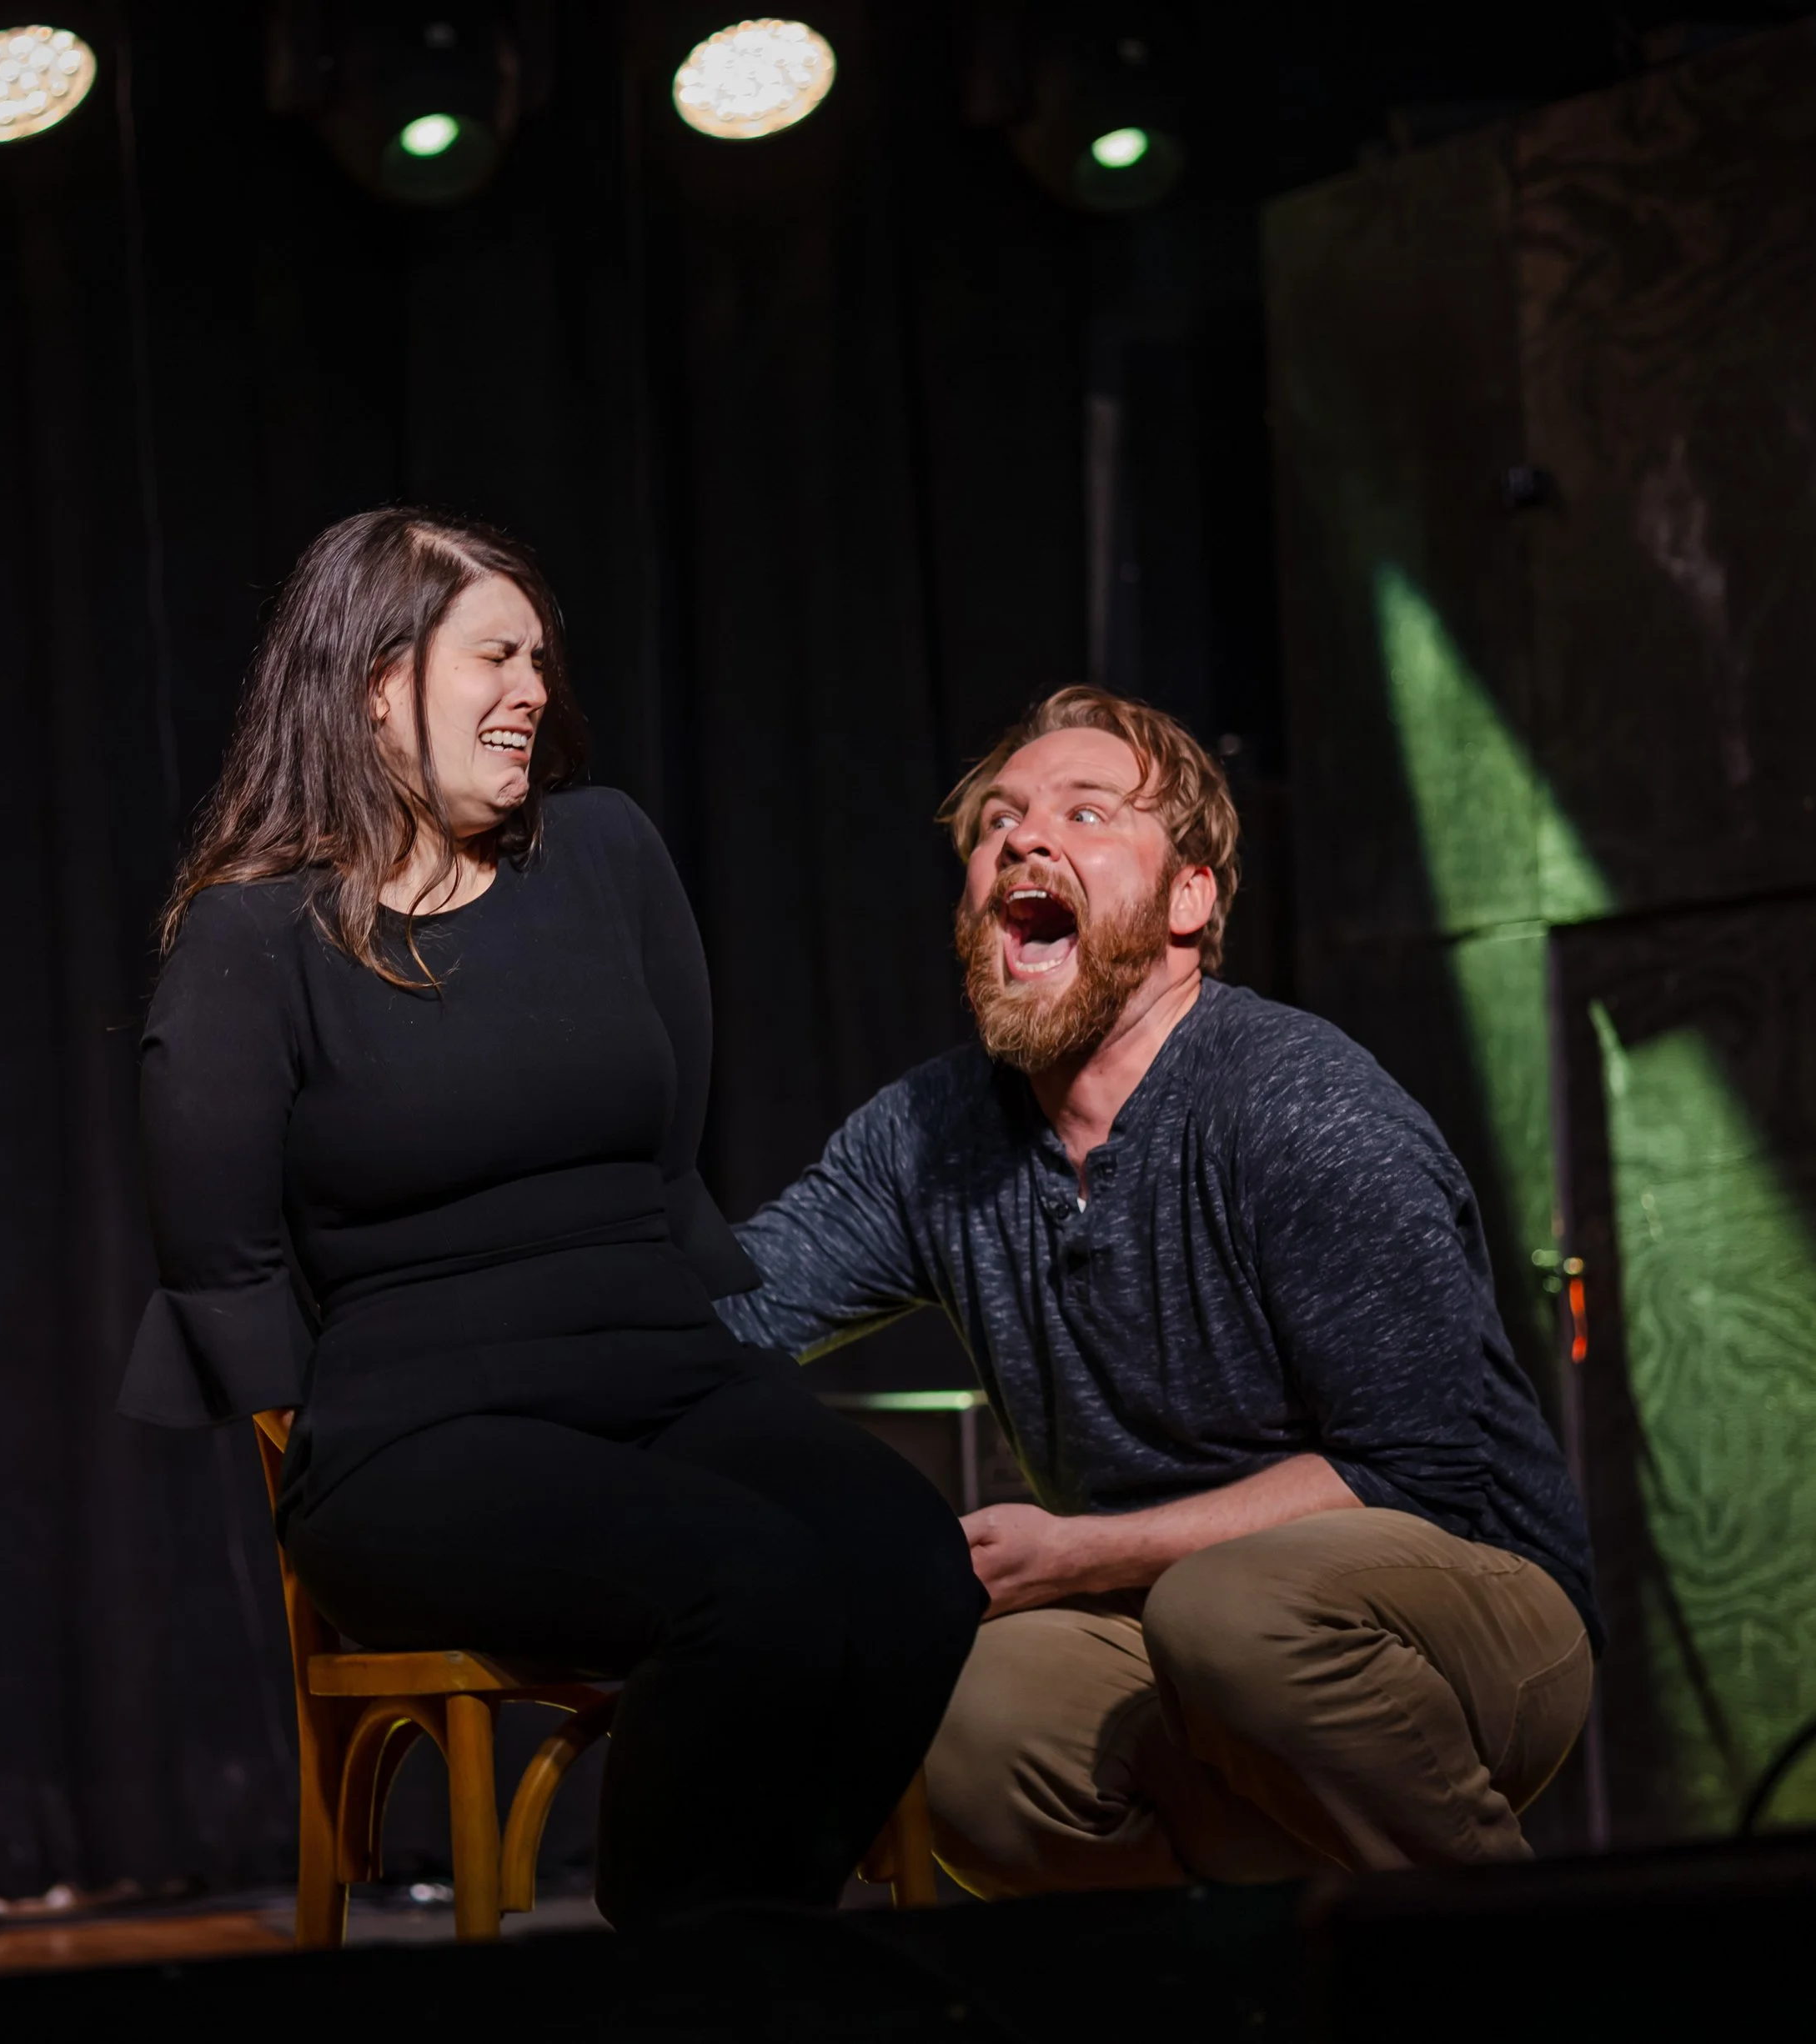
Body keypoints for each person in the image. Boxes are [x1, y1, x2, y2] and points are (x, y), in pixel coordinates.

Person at [119, 508, 984, 1926]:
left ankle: (759, 1954)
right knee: (748, 1585)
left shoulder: (605, 855)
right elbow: (221, 1258)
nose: (534, 689)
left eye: (540, 657)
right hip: (421, 1432)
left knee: (910, 1566)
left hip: (661, 1373)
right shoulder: (254, 937)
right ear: (374, 681)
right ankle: (668, 1991)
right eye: (495, 656)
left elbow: (666, 1151)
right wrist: (330, 1441)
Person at [718, 684, 1599, 1893]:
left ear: (1189, 900)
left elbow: (1419, 1471)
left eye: (1087, 814)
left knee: (1234, 1615)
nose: (1024, 840)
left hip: (1461, 1603)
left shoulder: (1299, 1104)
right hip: (1159, 1624)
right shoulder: (932, 1133)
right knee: (950, 1720)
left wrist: (1081, 1554)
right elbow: (733, 1318)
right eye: (997, 825)